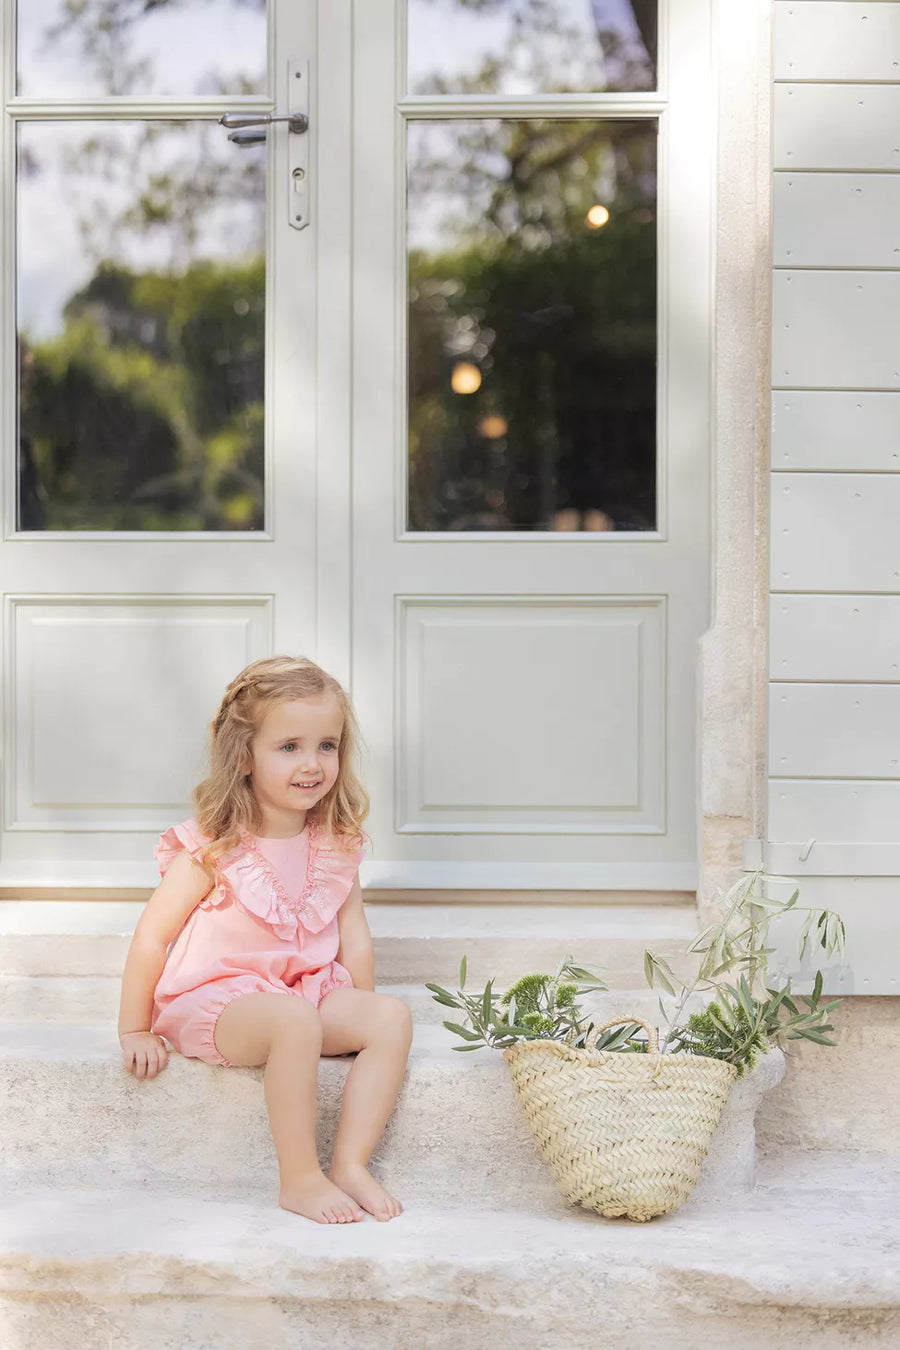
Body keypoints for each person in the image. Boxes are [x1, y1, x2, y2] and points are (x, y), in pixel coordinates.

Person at [117, 655, 413, 1226]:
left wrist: (358, 1016)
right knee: (292, 1022)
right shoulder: (214, 845)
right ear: (244, 756)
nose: (312, 764)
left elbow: (355, 941)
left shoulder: (336, 845)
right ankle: (300, 1179)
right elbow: (152, 936)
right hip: (221, 1001)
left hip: (301, 994)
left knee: (391, 1017)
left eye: (327, 746)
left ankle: (350, 1162)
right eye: (289, 747)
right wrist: (133, 1027)